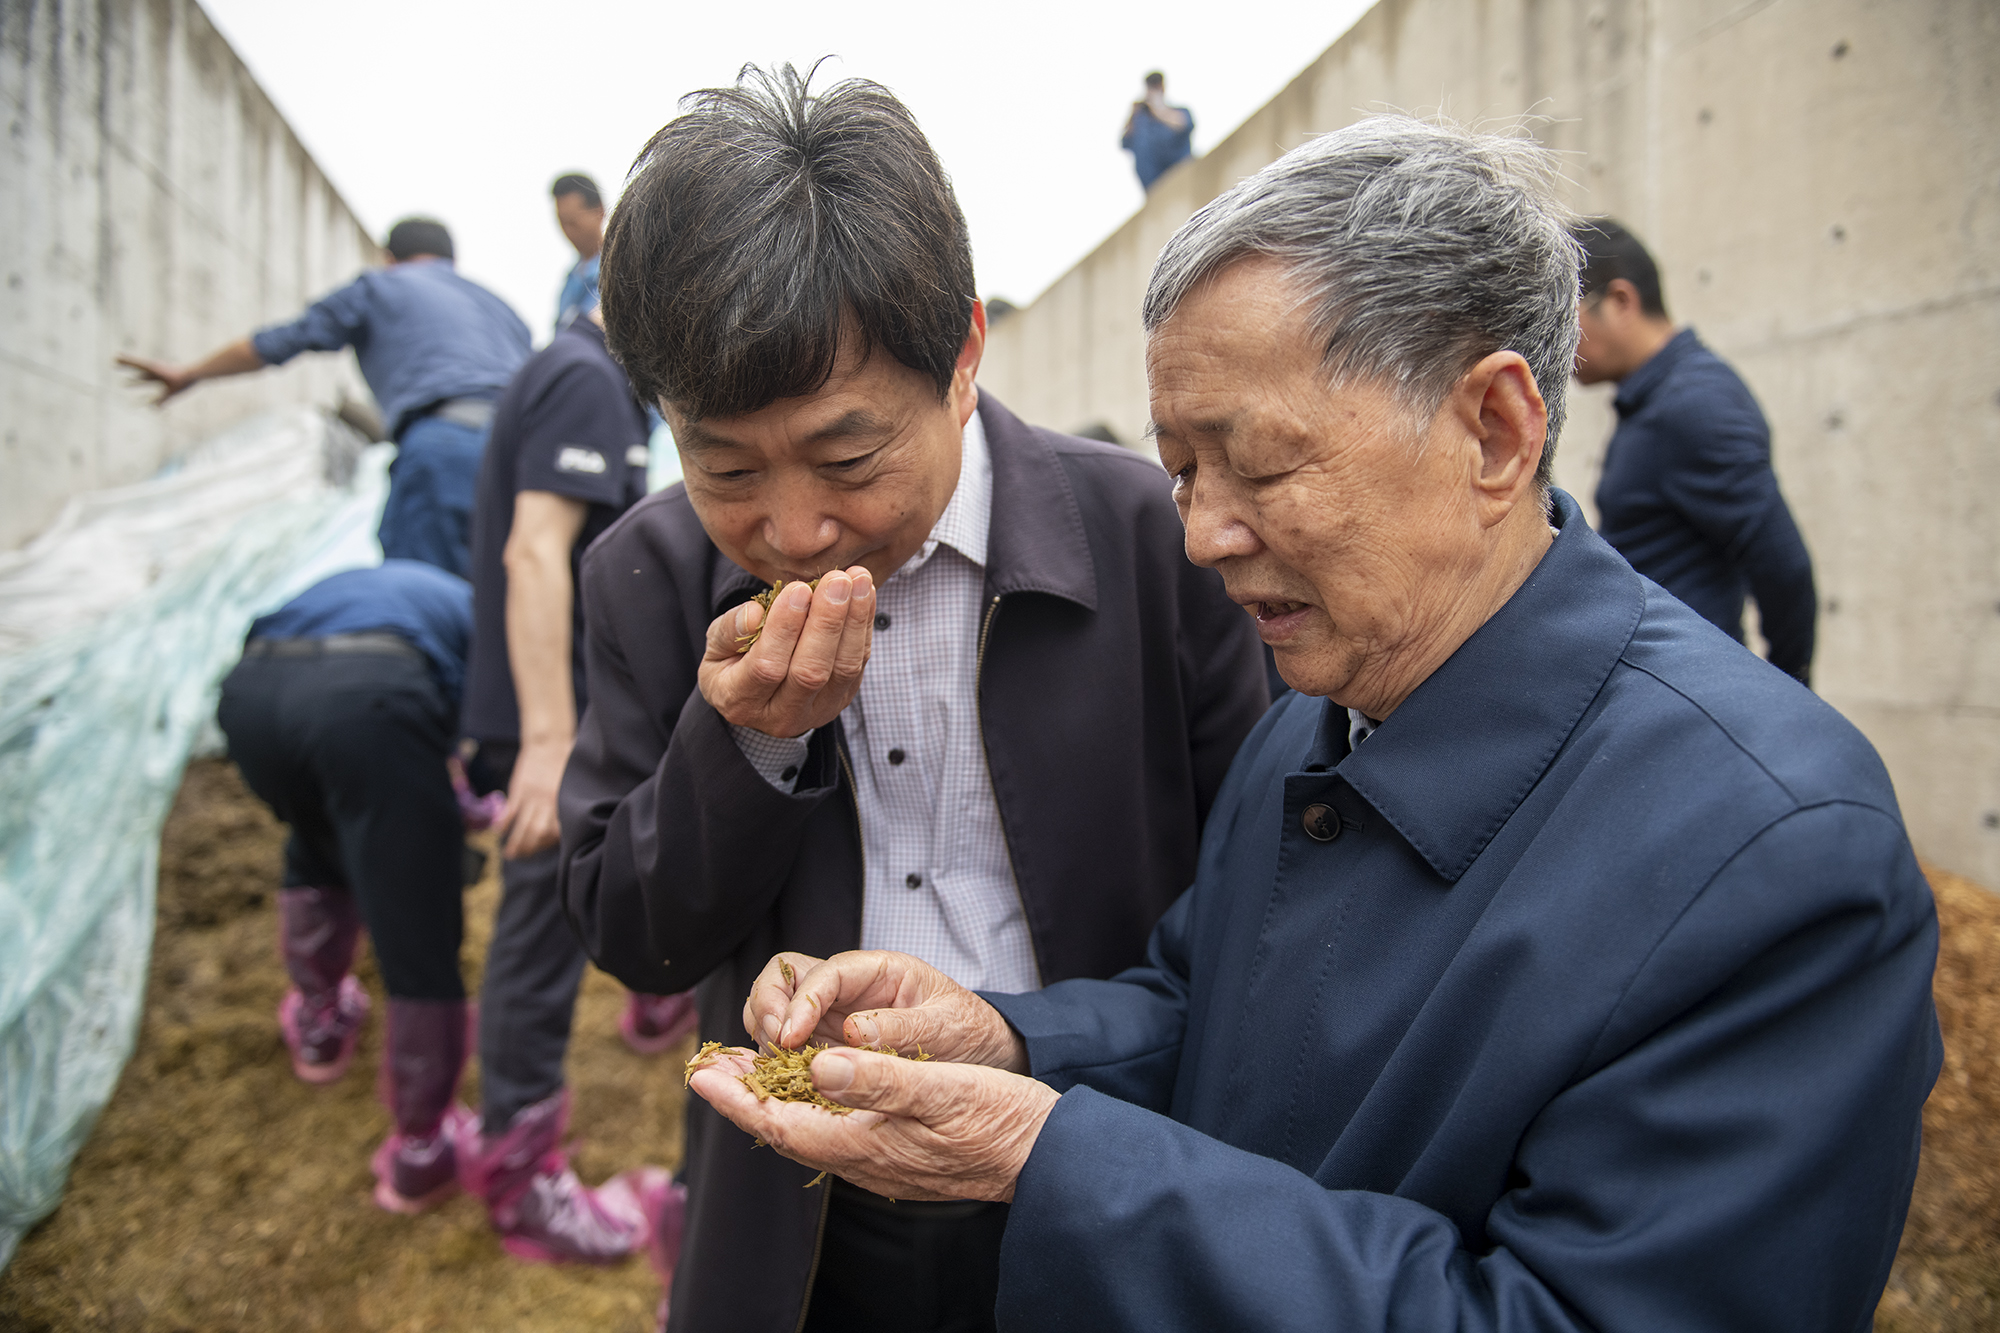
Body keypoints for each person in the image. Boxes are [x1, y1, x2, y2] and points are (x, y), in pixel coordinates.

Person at [688, 116, 1943, 1333]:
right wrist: (1010, 1037)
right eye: (1180, 468)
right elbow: (1207, 1008)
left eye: (1262, 466)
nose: (1199, 534)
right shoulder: (1317, 724)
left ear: (1493, 430)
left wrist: (1051, 1155)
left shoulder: (1771, 853)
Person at [563, 64, 1269, 1333]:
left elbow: (1260, 905)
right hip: (807, 1200)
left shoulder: (1151, 540)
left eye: (848, 456)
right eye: (722, 467)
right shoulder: (647, 575)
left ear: (961, 357)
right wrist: (745, 747)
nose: (791, 525)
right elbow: (634, 934)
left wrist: (1032, 1038)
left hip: (1096, 1153)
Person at [457, 301, 692, 1264]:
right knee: (536, 942)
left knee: (555, 927)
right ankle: (520, 1181)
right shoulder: (588, 377)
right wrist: (550, 741)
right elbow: (532, 548)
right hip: (546, 726)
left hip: (550, 716)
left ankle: (520, 1142)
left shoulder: (581, 380)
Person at [214, 561, 486, 1214]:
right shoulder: (492, 621)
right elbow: (492, 743)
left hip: (251, 699)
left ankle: (319, 1021)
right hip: (368, 703)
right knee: (415, 917)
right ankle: (424, 1145)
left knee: (318, 839)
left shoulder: (400, 588)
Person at [118, 218, 531, 578]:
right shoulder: (501, 307)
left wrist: (191, 373)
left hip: (448, 445)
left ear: (388, 257)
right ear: (450, 260)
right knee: (522, 595)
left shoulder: (378, 286)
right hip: (530, 452)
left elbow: (278, 343)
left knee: (422, 596)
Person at [1571, 218, 1818, 683]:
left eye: (1566, 318)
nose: (1560, 342)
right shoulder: (1655, 399)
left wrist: (1788, 695)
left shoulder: (1694, 402)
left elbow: (1783, 566)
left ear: (1621, 301)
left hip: (1687, 684)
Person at [1121, 71, 1194, 191]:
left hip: (1183, 180)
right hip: (1155, 188)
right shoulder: (1142, 123)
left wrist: (1157, 109)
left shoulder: (1178, 111)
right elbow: (1125, 141)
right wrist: (1133, 115)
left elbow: (1183, 125)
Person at [550, 174, 605, 334]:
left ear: (600, 211)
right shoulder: (572, 277)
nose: (568, 232)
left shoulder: (621, 270)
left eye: (573, 223)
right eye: (562, 223)